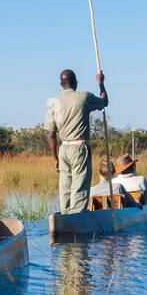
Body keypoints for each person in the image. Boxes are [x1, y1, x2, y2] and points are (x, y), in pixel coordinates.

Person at [45, 68, 109, 214]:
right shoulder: (84, 97)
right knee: (79, 188)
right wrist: (101, 83)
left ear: (61, 84)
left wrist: (54, 157)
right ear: (75, 83)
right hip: (79, 148)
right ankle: (77, 219)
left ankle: (65, 217)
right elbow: (104, 102)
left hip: (63, 150)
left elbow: (50, 134)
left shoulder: (54, 103)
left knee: (65, 188)